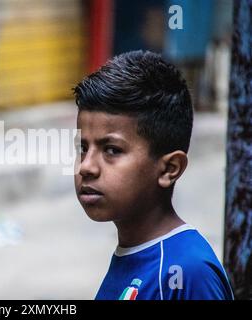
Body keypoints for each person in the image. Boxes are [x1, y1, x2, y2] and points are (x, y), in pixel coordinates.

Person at [73, 50, 234, 300]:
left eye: (112, 150)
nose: (86, 167)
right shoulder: (131, 254)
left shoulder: (188, 272)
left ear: (170, 169)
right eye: (83, 148)